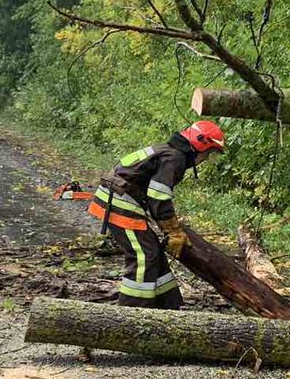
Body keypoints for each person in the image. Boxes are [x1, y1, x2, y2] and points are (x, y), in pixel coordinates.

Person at [88, 121, 225, 309]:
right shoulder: (175, 158)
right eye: (209, 153)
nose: (207, 158)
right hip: (120, 202)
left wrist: (170, 229)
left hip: (121, 199)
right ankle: (130, 313)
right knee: (144, 256)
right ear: (200, 144)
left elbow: (154, 197)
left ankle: (166, 306)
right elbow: (158, 197)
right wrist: (172, 230)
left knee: (154, 253)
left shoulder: (168, 151)